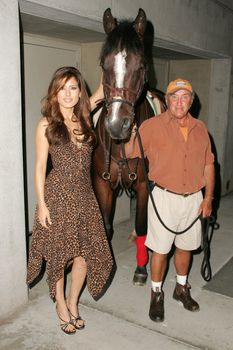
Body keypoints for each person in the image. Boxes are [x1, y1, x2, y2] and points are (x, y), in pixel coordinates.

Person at [27, 66, 114, 334]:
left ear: (79, 93)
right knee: (59, 255)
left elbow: (104, 88)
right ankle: (61, 306)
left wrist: (108, 59)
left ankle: (74, 302)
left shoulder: (85, 116)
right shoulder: (46, 123)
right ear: (55, 92)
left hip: (85, 196)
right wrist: (41, 204)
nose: (67, 93)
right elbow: (41, 167)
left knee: (84, 256)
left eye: (73, 88)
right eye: (62, 88)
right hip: (57, 196)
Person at [125, 78, 215, 322]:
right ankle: (156, 293)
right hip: (164, 198)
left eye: (185, 97)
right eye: (174, 97)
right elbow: (130, 153)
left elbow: (208, 165)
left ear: (191, 102)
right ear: (167, 101)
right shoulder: (152, 126)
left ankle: (181, 288)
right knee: (161, 251)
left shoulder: (200, 128)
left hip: (193, 199)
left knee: (186, 247)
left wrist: (208, 198)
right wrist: (131, 134)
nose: (179, 102)